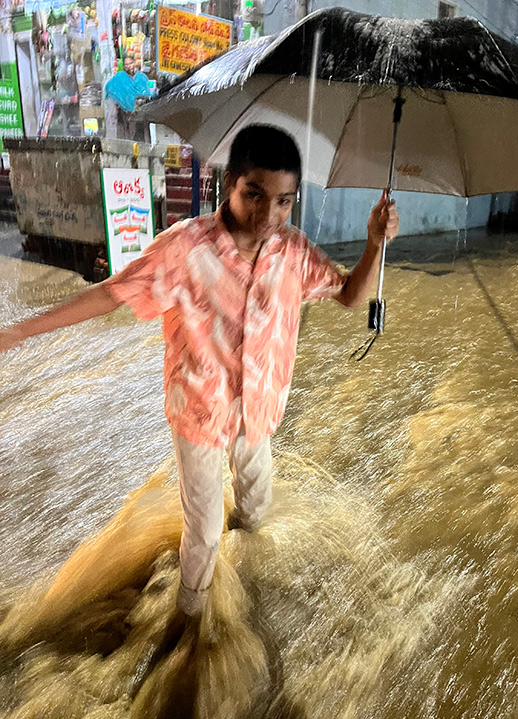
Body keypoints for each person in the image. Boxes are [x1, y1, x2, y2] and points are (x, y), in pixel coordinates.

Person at [0, 124, 399, 618]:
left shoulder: (293, 252)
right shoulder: (185, 249)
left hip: (258, 410)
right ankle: (189, 623)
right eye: (254, 195)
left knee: (255, 508)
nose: (267, 216)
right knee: (205, 531)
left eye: (283, 202)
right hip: (200, 413)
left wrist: (374, 244)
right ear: (228, 183)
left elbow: (348, 294)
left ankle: (241, 588)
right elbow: (110, 294)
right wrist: (20, 331)